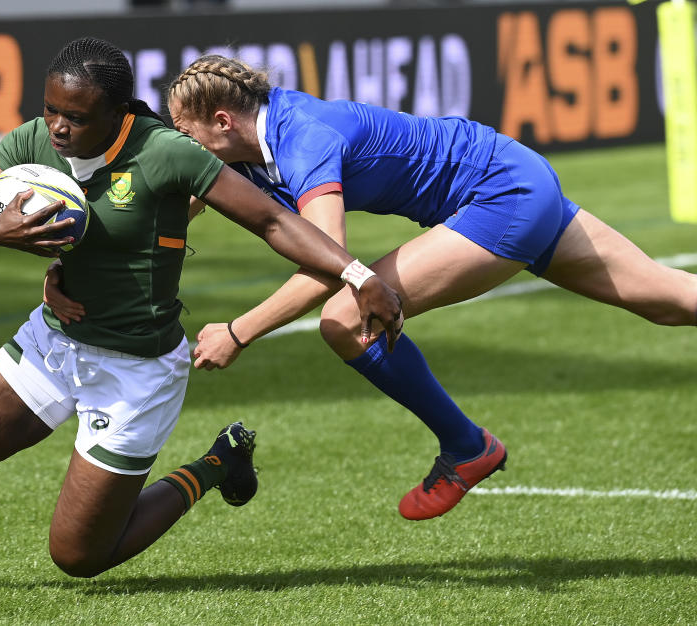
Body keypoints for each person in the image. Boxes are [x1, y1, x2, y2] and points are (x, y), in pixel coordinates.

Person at [0, 39, 404, 593]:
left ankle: (215, 463)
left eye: (77, 117)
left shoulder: (167, 154)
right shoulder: (37, 141)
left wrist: (357, 273)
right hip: (54, 341)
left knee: (78, 557)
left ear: (118, 114)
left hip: (137, 373)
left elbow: (271, 219)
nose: (59, 128)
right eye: (52, 111)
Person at [163, 55, 697, 522]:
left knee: (344, 320)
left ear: (223, 121)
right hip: (512, 172)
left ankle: (467, 447)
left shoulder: (302, 138)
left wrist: (239, 330)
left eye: (187, 138)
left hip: (501, 196)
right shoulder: (245, 144)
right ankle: (467, 446)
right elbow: (176, 204)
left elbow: (331, 262)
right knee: (671, 301)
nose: (187, 152)